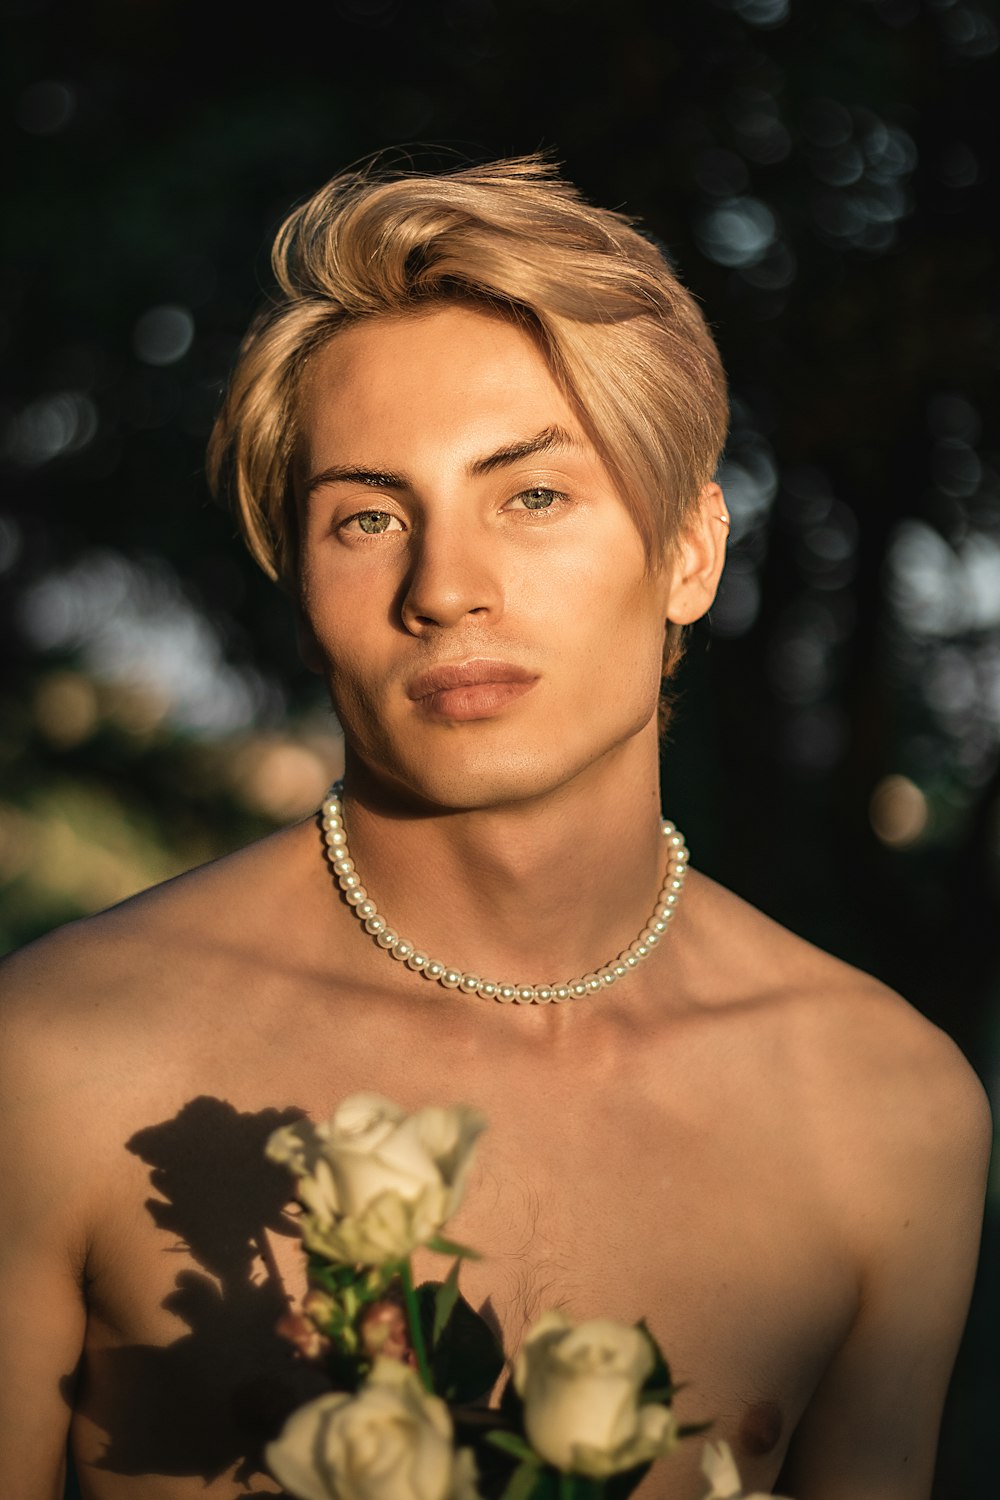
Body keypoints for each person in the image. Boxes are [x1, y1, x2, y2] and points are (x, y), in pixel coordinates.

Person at [0, 156, 990, 1500]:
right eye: (367, 517)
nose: (445, 588)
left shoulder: (890, 1112)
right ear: (300, 581)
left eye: (530, 495)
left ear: (690, 553)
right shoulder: (61, 1064)